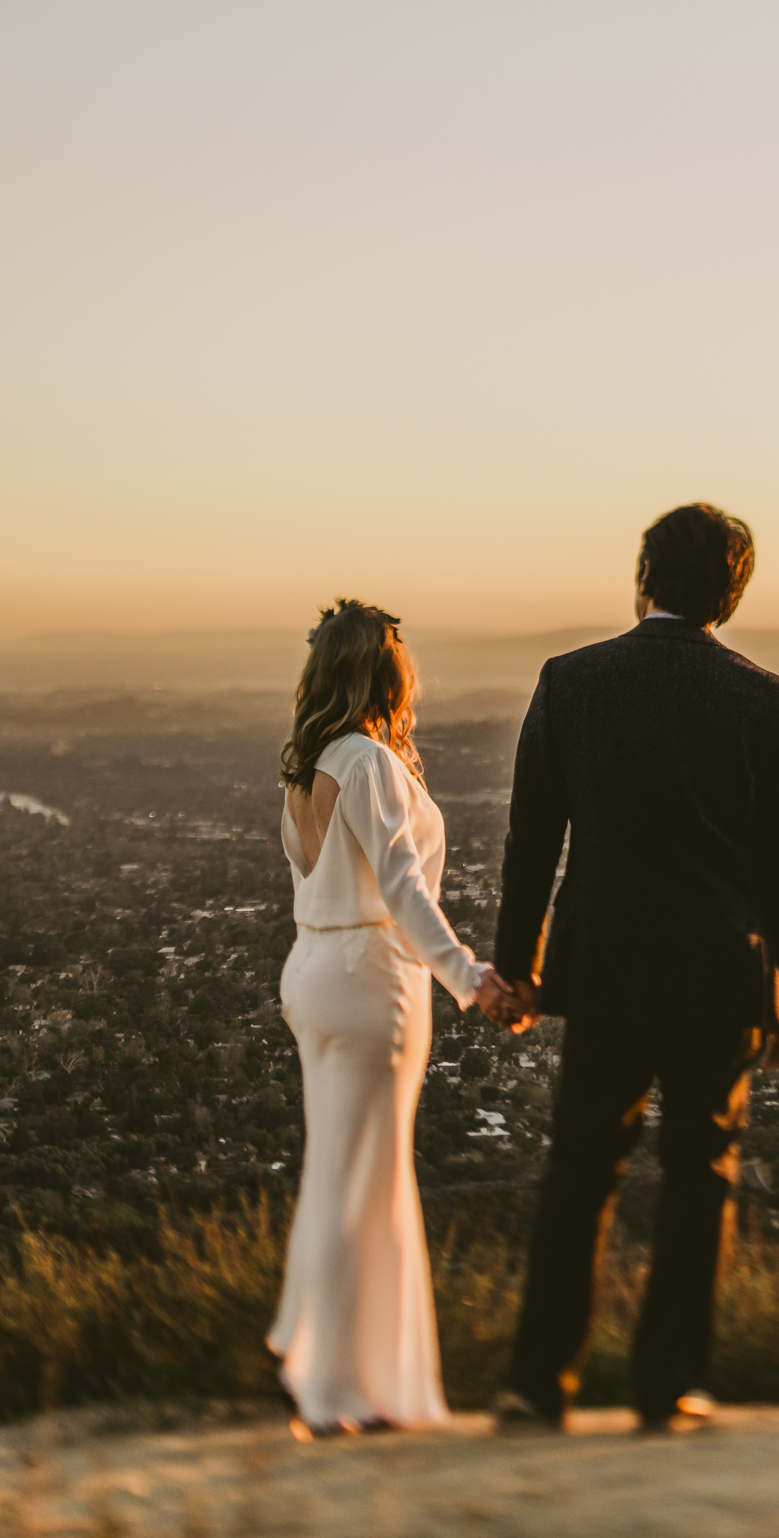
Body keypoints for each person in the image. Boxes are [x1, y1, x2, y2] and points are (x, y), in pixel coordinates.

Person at [486, 503, 779, 1434]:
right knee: (700, 1171)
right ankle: (669, 1385)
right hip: (720, 971)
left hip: (604, 969)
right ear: (731, 593)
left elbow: (530, 843)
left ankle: (538, 1383)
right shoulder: (764, 698)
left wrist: (518, 970)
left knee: (581, 1169)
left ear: (644, 578)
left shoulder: (571, 681)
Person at [268, 599, 502, 1439]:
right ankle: (343, 1387)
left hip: (311, 971)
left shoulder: (305, 768)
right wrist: (470, 978)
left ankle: (316, 1361)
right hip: (370, 979)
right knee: (368, 1182)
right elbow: (404, 890)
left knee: (337, 1173)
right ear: (385, 669)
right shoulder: (367, 761)